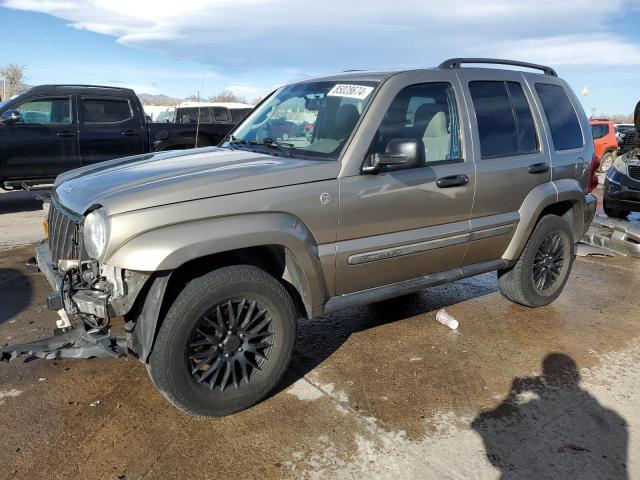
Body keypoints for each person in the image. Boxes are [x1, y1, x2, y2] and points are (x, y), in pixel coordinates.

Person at [472, 353, 628, 479]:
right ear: (576, 378)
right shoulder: (615, 420)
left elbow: (494, 451)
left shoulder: (531, 411)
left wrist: (512, 395)